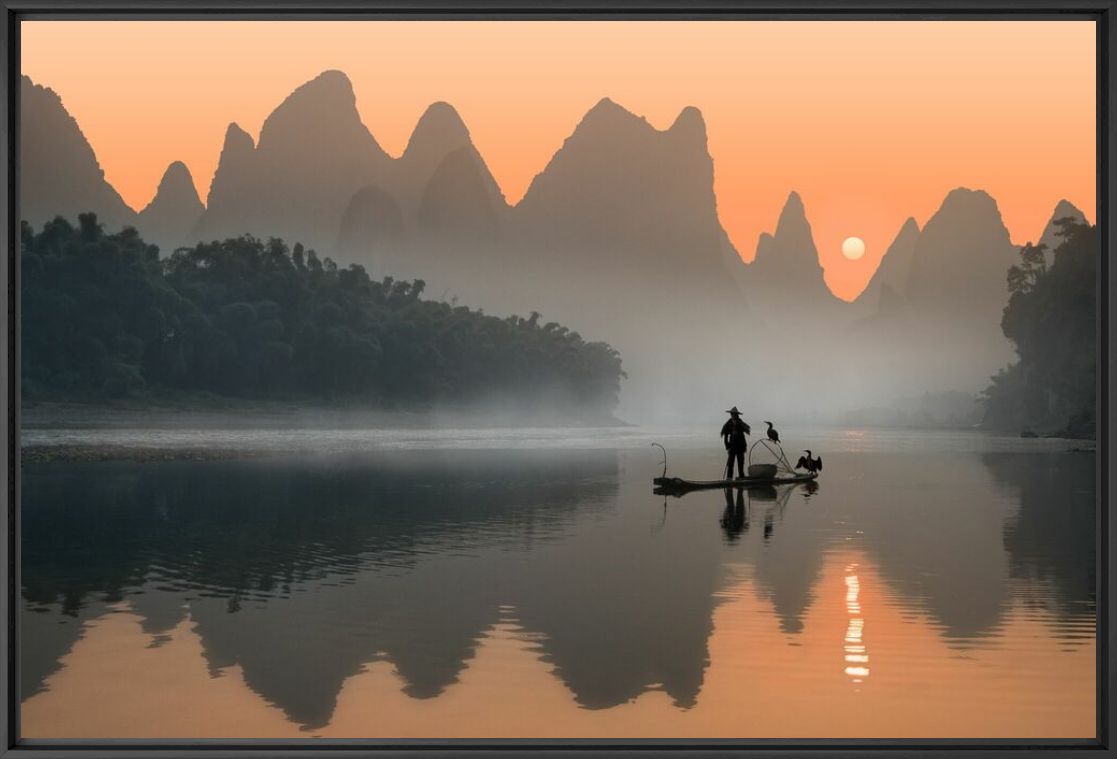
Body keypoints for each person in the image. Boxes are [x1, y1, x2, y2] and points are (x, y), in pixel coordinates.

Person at [720, 406, 751, 479]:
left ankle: (741, 478)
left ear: (737, 415)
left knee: (740, 464)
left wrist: (744, 446)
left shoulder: (740, 423)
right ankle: (729, 479)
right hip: (732, 447)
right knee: (730, 464)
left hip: (740, 446)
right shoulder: (728, 424)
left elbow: (745, 432)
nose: (733, 415)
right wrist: (727, 446)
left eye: (734, 414)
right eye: (732, 414)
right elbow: (725, 436)